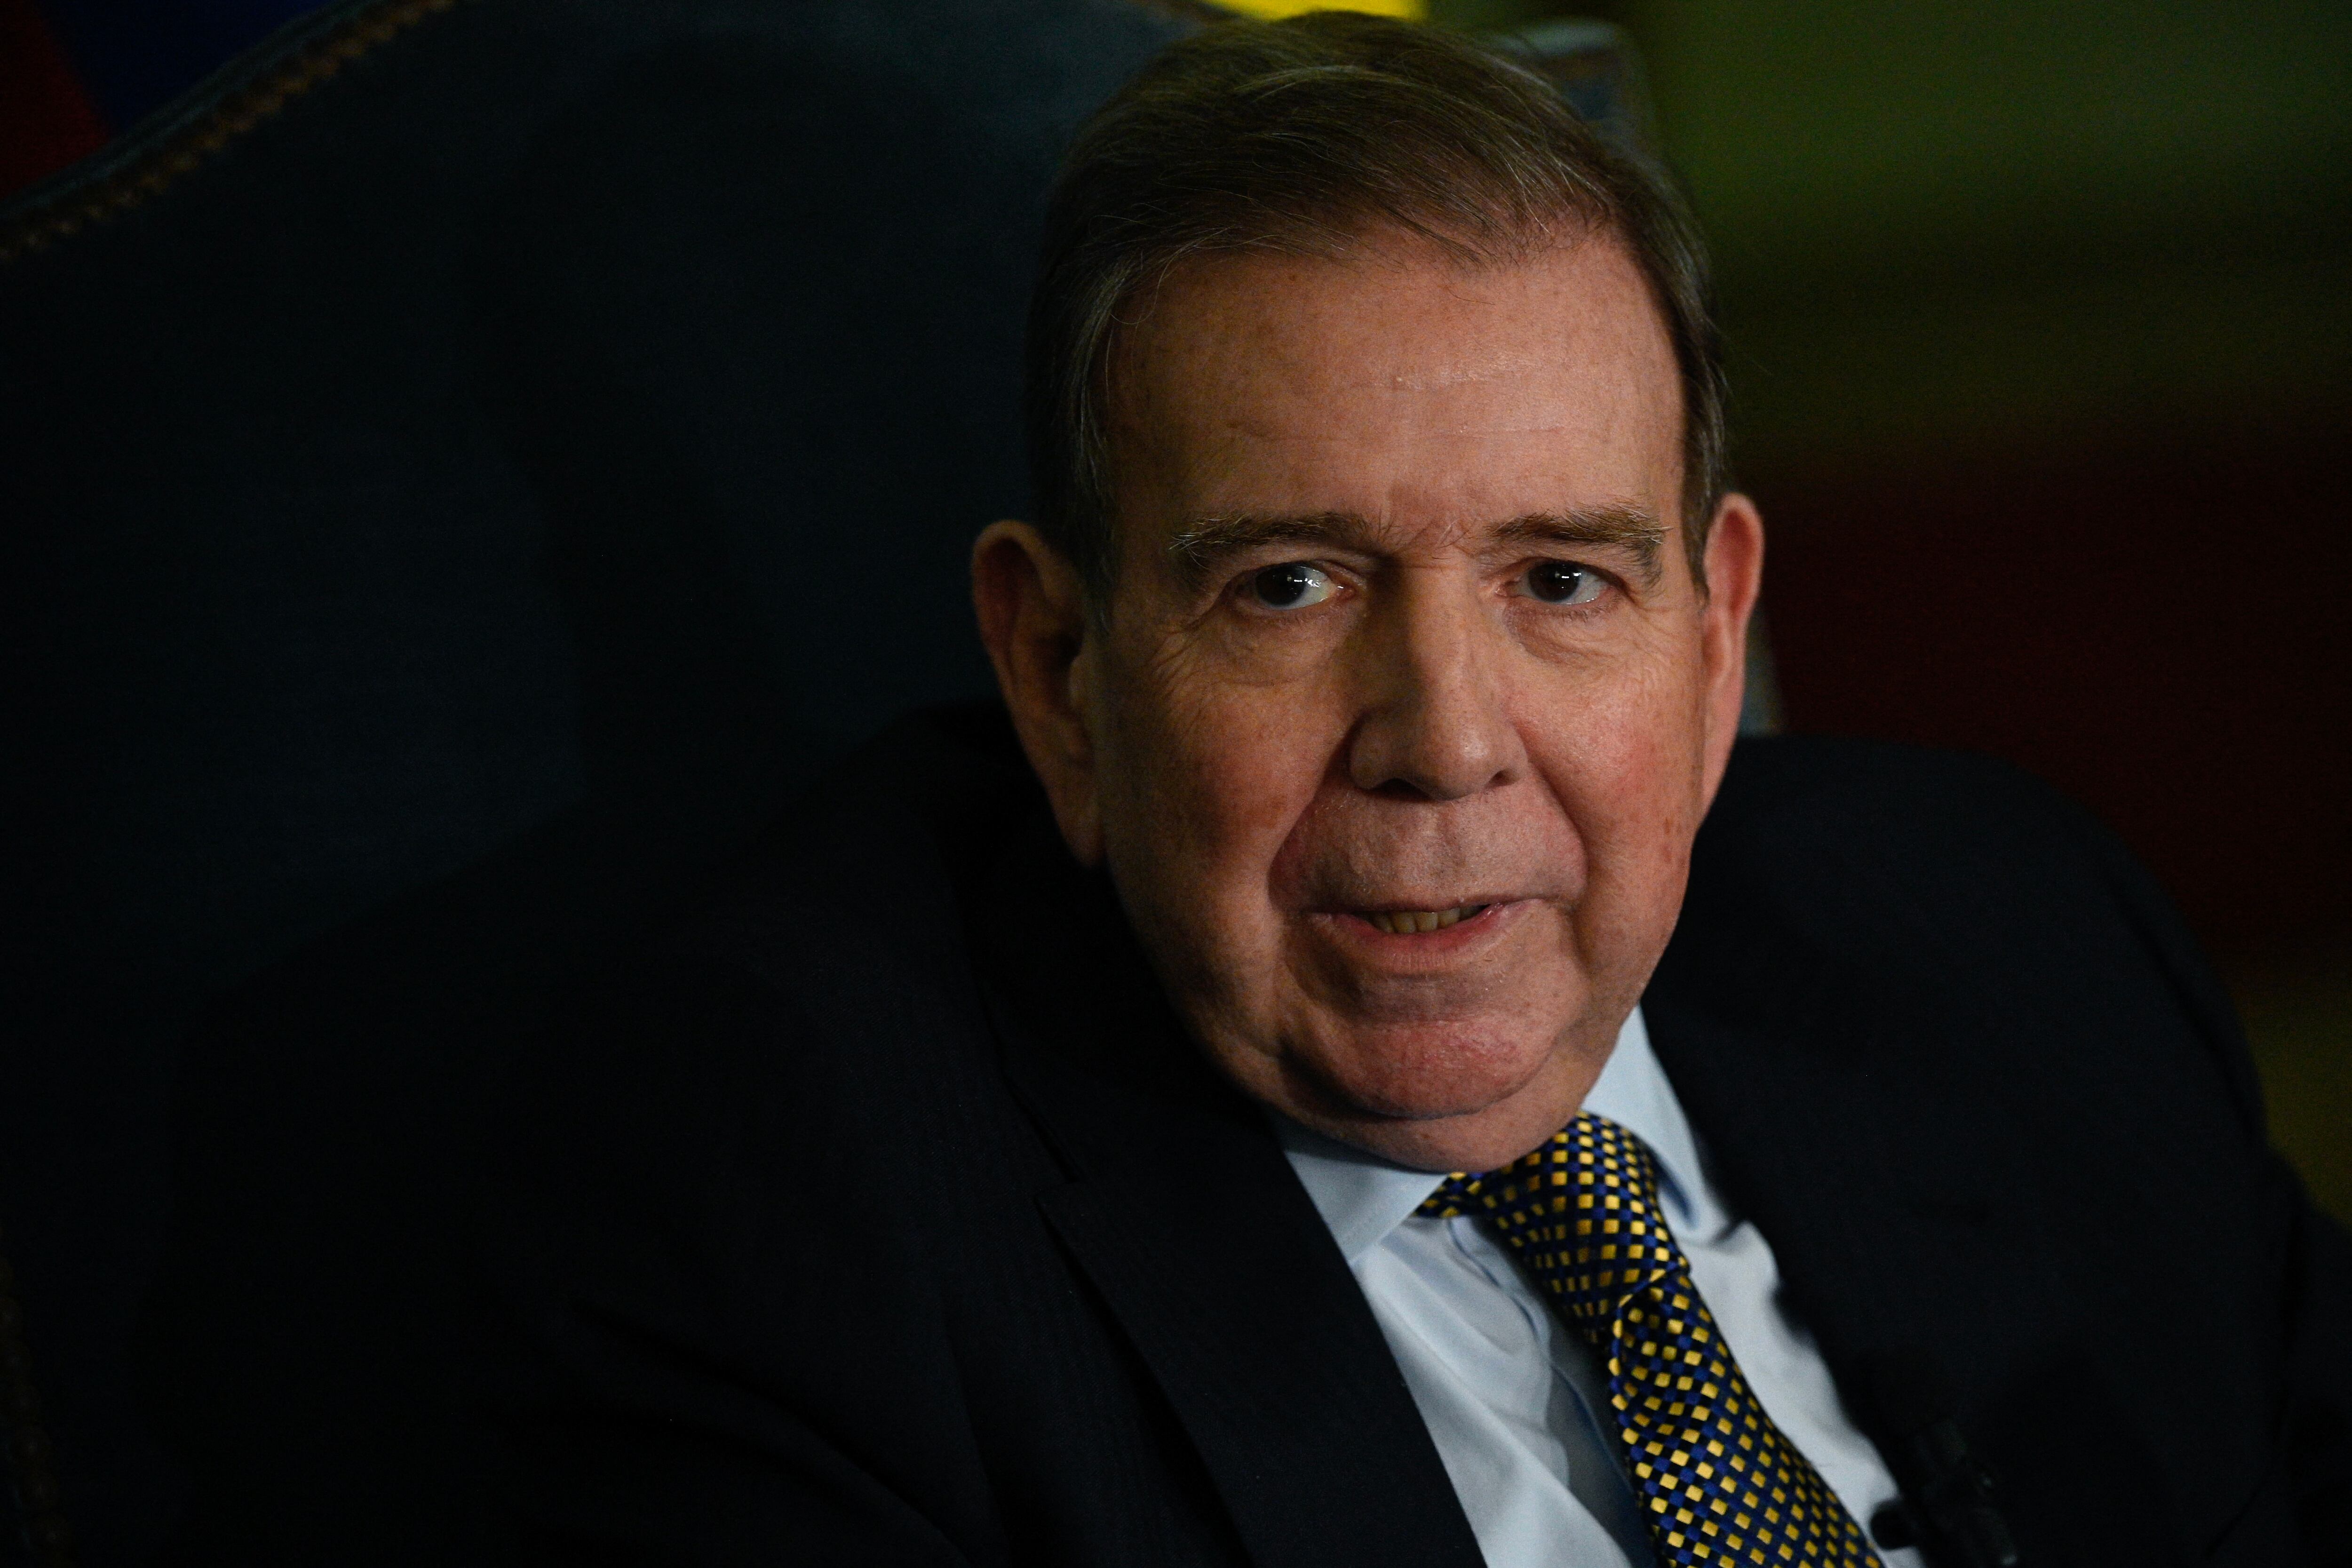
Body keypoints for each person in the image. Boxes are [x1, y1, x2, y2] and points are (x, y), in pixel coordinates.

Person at [476, 15, 2352, 1566]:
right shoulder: (795, 1215)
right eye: (1289, 585)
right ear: (1059, 673)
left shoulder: (2005, 938)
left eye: (1557, 580)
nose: (1443, 738)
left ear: (1713, 637)